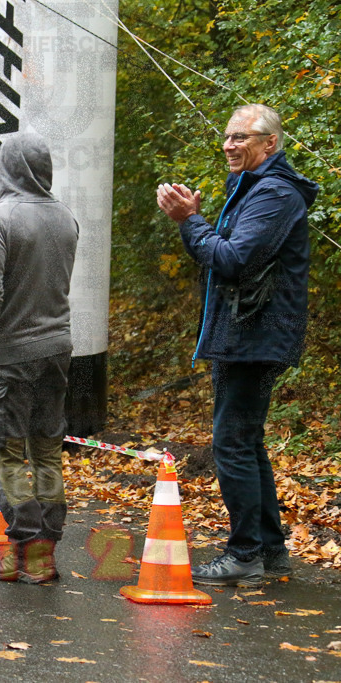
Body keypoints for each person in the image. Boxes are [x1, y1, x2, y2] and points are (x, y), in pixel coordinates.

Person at [157, 104, 318, 587]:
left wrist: (190, 221)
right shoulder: (253, 188)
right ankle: (268, 550)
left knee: (232, 444)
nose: (229, 145)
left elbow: (231, 260)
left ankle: (245, 552)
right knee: (247, 442)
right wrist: (198, 220)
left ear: (270, 144)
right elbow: (226, 255)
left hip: (256, 336)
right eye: (227, 137)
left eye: (241, 138)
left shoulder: (273, 193)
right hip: (245, 334)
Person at [0, 131, 78, 584]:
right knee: (48, 451)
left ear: (5, 169)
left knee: (9, 454)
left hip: (9, 357)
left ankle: (26, 549)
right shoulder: (66, 218)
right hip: (58, 350)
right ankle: (46, 551)